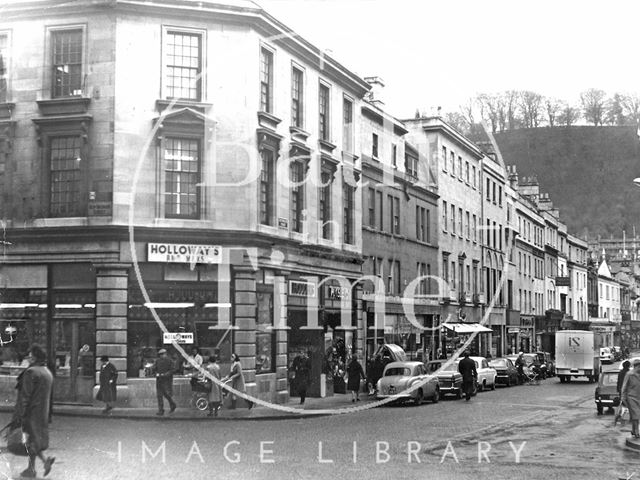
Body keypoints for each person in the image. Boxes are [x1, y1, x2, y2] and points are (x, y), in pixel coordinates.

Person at [13, 344, 55, 478]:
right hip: (42, 413)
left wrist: (20, 415)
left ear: (36, 357)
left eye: (30, 355)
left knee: (29, 441)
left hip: (30, 414)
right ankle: (34, 467)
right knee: (33, 440)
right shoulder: (47, 372)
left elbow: (25, 396)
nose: (28, 357)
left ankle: (39, 464)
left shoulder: (31, 372)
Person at [153, 348, 176, 416]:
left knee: (167, 394)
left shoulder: (170, 361)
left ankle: (172, 405)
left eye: (162, 354)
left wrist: (166, 374)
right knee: (159, 395)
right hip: (159, 380)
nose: (161, 356)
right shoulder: (157, 361)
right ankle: (161, 410)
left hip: (167, 380)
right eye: (160, 355)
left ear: (165, 354)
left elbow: (173, 370)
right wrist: (155, 373)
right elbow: (155, 368)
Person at [621, 359, 640, 438]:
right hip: (631, 397)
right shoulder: (629, 374)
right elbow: (624, 386)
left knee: (635, 415)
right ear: (637, 367)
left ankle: (633, 430)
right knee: (636, 414)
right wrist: (623, 398)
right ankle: (636, 432)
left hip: (638, 397)